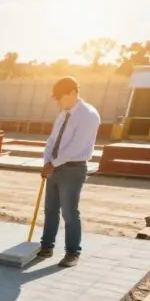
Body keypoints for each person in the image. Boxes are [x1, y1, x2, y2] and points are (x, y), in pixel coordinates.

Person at [39, 76, 101, 268]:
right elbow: (52, 139)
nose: (59, 101)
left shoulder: (88, 114)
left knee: (69, 212)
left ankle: (72, 252)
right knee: (50, 209)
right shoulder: (63, 114)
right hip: (55, 167)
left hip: (73, 169)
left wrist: (53, 163)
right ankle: (46, 246)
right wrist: (47, 160)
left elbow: (75, 147)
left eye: (61, 97)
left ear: (73, 92)